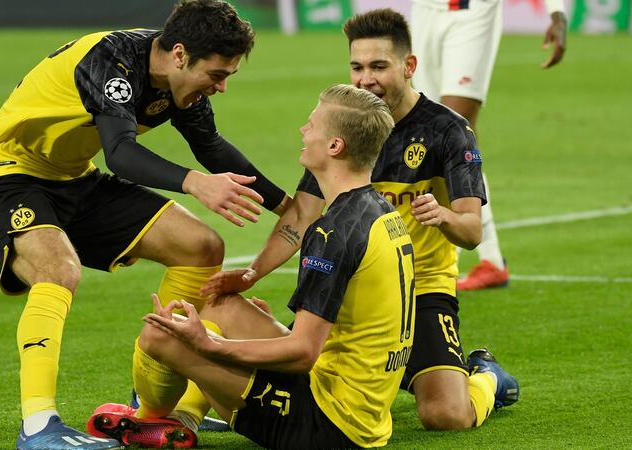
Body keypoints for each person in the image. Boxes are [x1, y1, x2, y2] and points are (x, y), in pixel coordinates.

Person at [0, 1, 291, 449]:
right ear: (180, 55)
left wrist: (289, 208)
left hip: (73, 177)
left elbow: (211, 147)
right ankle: (39, 427)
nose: (220, 87)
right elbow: (119, 154)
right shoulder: (112, 62)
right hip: (7, 173)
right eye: (217, 75)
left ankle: (152, 404)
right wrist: (195, 184)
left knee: (199, 246)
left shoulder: (180, 85)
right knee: (58, 270)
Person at [202, 9, 519, 431]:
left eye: (378, 66)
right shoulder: (347, 125)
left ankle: (484, 377)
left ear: (409, 67)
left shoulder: (448, 130)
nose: (365, 78)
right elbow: (301, 217)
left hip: (419, 291)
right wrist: (253, 273)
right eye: (357, 66)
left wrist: (442, 216)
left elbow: (472, 232)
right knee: (299, 367)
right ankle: (186, 403)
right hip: (350, 289)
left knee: (446, 415)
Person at [87, 84, 413, 448]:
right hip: (358, 402)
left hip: (327, 426)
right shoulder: (381, 211)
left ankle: (150, 418)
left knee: (159, 336)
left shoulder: (331, 233)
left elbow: (303, 352)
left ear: (335, 146)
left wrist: (212, 346)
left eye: (312, 125)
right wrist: (248, 297)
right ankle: (181, 419)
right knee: (218, 305)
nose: (303, 131)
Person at [410, 0, 568, 290]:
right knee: (430, 123)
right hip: (423, 12)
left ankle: (442, 263)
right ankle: (492, 260)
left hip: (473, 11)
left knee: (451, 128)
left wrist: (556, 13)